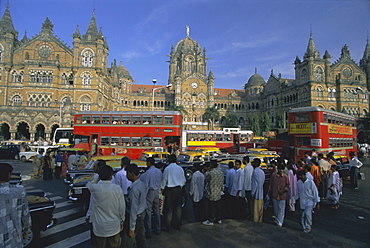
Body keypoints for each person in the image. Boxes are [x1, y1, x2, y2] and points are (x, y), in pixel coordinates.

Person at [86, 165, 125, 248]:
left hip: (99, 226)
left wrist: (97, 178)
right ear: (111, 176)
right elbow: (121, 208)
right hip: (114, 225)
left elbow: (88, 184)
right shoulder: (117, 188)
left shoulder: (95, 188)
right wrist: (122, 221)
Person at [0, 163, 32, 248]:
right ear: (8, 175)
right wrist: (26, 228)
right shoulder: (19, 191)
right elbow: (25, 213)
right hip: (13, 236)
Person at [123, 163, 148, 248]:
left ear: (132, 174)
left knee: (128, 241)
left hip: (136, 216)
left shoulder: (134, 189)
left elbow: (133, 209)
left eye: (127, 174)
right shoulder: (141, 184)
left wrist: (131, 228)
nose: (126, 176)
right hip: (142, 213)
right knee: (141, 237)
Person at [161, 154, 186, 232]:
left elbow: (164, 180)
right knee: (178, 208)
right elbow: (183, 180)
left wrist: (162, 189)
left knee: (169, 208)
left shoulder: (167, 169)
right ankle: (177, 225)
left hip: (170, 190)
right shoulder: (180, 168)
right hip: (178, 189)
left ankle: (168, 226)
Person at [140, 157, 162, 238]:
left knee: (148, 211)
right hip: (157, 191)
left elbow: (146, 186)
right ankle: (158, 228)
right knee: (156, 211)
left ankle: (148, 230)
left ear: (149, 163)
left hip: (150, 192)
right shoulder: (158, 171)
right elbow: (160, 181)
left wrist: (144, 196)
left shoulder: (148, 173)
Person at [203, 160, 224, 226]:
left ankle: (211, 220)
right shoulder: (220, 172)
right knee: (218, 206)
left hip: (211, 191)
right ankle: (218, 219)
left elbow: (206, 180)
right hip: (218, 191)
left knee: (211, 207)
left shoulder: (210, 173)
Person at [251, 158, 265, 222]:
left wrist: (252, 193)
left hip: (256, 192)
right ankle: (260, 219)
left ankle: (256, 220)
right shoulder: (262, 172)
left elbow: (254, 184)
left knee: (255, 209)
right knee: (260, 209)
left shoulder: (255, 172)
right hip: (261, 192)